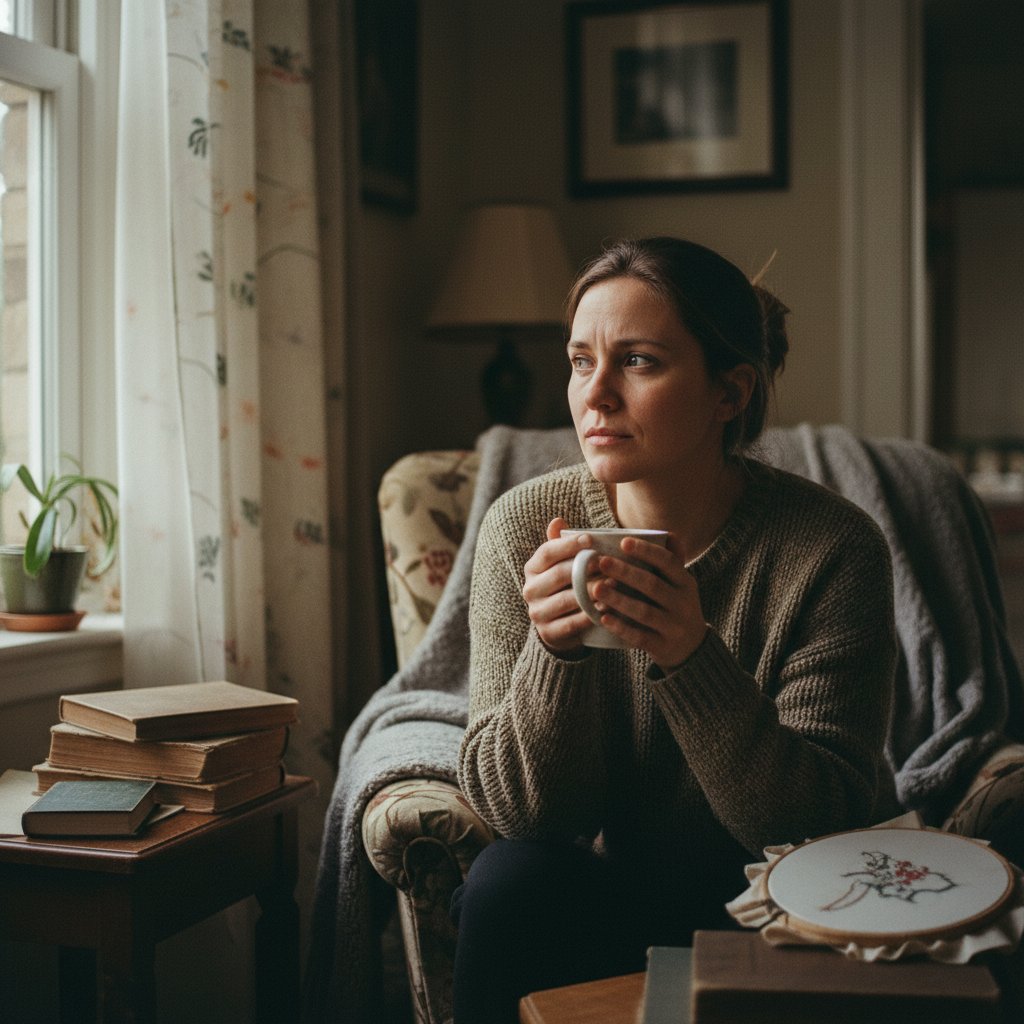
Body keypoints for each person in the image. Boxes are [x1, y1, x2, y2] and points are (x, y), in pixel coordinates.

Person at [451, 236, 899, 1022]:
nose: (596, 396)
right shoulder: (524, 528)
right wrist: (555, 653)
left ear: (729, 393)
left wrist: (692, 656)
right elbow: (525, 819)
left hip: (780, 904)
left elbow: (819, 822)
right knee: (504, 883)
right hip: (605, 891)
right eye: (580, 360)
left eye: (639, 362)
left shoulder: (833, 549)